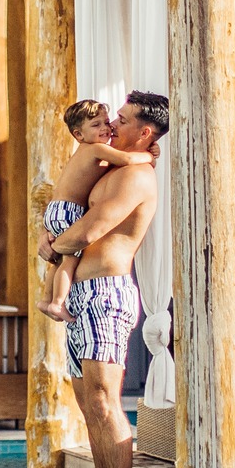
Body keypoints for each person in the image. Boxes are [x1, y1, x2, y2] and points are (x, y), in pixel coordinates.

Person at [39, 91, 167, 468]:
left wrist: (52, 247)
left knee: (104, 400)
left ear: (145, 132)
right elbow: (69, 207)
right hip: (81, 294)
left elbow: (90, 229)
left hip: (107, 296)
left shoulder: (137, 177)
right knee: (86, 401)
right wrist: (46, 235)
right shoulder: (108, 166)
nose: (114, 123)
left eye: (124, 119)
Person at [37, 99, 155, 323]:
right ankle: (57, 302)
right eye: (96, 125)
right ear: (79, 134)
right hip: (67, 211)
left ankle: (46, 298)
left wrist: (53, 243)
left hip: (57, 211)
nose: (108, 127)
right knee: (69, 260)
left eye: (107, 122)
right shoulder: (98, 150)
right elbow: (128, 159)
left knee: (62, 262)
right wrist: (150, 156)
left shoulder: (92, 156)